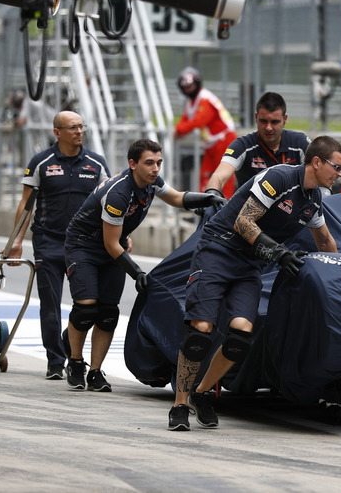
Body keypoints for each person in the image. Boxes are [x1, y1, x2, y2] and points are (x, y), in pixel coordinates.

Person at [168, 135, 341, 431]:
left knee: (241, 335)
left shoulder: (313, 200)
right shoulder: (279, 177)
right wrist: (278, 252)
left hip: (249, 263)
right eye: (337, 167)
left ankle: (202, 395)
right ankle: (179, 404)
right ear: (317, 162)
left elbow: (325, 241)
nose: (340, 174)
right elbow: (243, 222)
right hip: (218, 249)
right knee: (201, 330)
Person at [63, 138, 225, 392]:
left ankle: (95, 371)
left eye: (159, 163)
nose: (155, 168)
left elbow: (177, 198)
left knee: (108, 313)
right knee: (86, 310)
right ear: (132, 164)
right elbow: (111, 244)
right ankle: (74, 360)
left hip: (113, 246)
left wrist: (208, 199)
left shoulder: (151, 182)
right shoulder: (118, 193)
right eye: (149, 163)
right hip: (85, 247)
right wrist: (137, 272)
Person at [5, 111, 111, 380]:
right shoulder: (41, 162)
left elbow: (111, 203)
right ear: (57, 132)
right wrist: (16, 241)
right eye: (73, 127)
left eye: (81, 127)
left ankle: (68, 348)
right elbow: (26, 204)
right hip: (48, 242)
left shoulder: (96, 163)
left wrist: (122, 235)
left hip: (85, 246)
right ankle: (55, 361)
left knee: (88, 306)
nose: (79, 131)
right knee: (50, 305)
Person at [204, 91, 310, 196]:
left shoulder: (300, 143)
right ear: (256, 117)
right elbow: (219, 176)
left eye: (274, 122)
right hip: (249, 211)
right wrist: (212, 192)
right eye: (263, 121)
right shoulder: (243, 145)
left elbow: (320, 173)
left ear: (285, 119)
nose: (268, 128)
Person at [174, 66, 238, 198]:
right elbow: (185, 119)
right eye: (185, 87)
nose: (188, 90)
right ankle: (206, 208)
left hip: (224, 141)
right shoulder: (191, 102)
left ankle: (226, 210)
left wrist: (179, 130)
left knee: (224, 178)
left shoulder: (205, 99)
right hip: (211, 144)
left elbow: (197, 121)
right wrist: (179, 130)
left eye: (190, 86)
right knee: (205, 176)